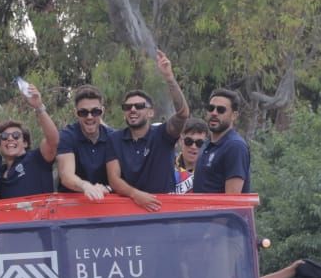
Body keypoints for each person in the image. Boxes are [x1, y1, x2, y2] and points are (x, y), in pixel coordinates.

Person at [105, 51, 190, 211]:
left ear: (151, 112)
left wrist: (170, 78)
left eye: (139, 106)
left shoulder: (163, 135)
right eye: (127, 107)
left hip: (163, 211)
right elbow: (113, 179)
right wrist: (136, 195)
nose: (133, 110)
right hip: (129, 213)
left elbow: (183, 114)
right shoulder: (114, 139)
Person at [0, 87, 59, 235]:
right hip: (16, 239)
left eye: (16, 135)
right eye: (4, 137)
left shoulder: (36, 159)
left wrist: (39, 108)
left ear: (25, 143)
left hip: (45, 234)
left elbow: (54, 141)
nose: (10, 139)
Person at [56, 86, 115, 201]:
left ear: (102, 111)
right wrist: (86, 186)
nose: (89, 117)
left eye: (95, 111)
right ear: (76, 113)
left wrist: (107, 188)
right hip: (72, 205)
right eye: (83, 112)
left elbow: (119, 176)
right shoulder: (67, 136)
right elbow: (66, 176)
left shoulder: (113, 137)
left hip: (105, 201)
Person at [191, 88, 250, 194]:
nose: (214, 113)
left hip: (221, 211)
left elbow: (233, 199)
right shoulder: (207, 144)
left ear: (234, 115)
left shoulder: (235, 147)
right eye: (211, 108)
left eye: (221, 110)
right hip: (200, 210)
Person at [171, 118, 207, 194]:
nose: (193, 147)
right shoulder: (167, 167)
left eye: (199, 143)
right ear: (181, 141)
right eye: (189, 141)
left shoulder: (209, 171)